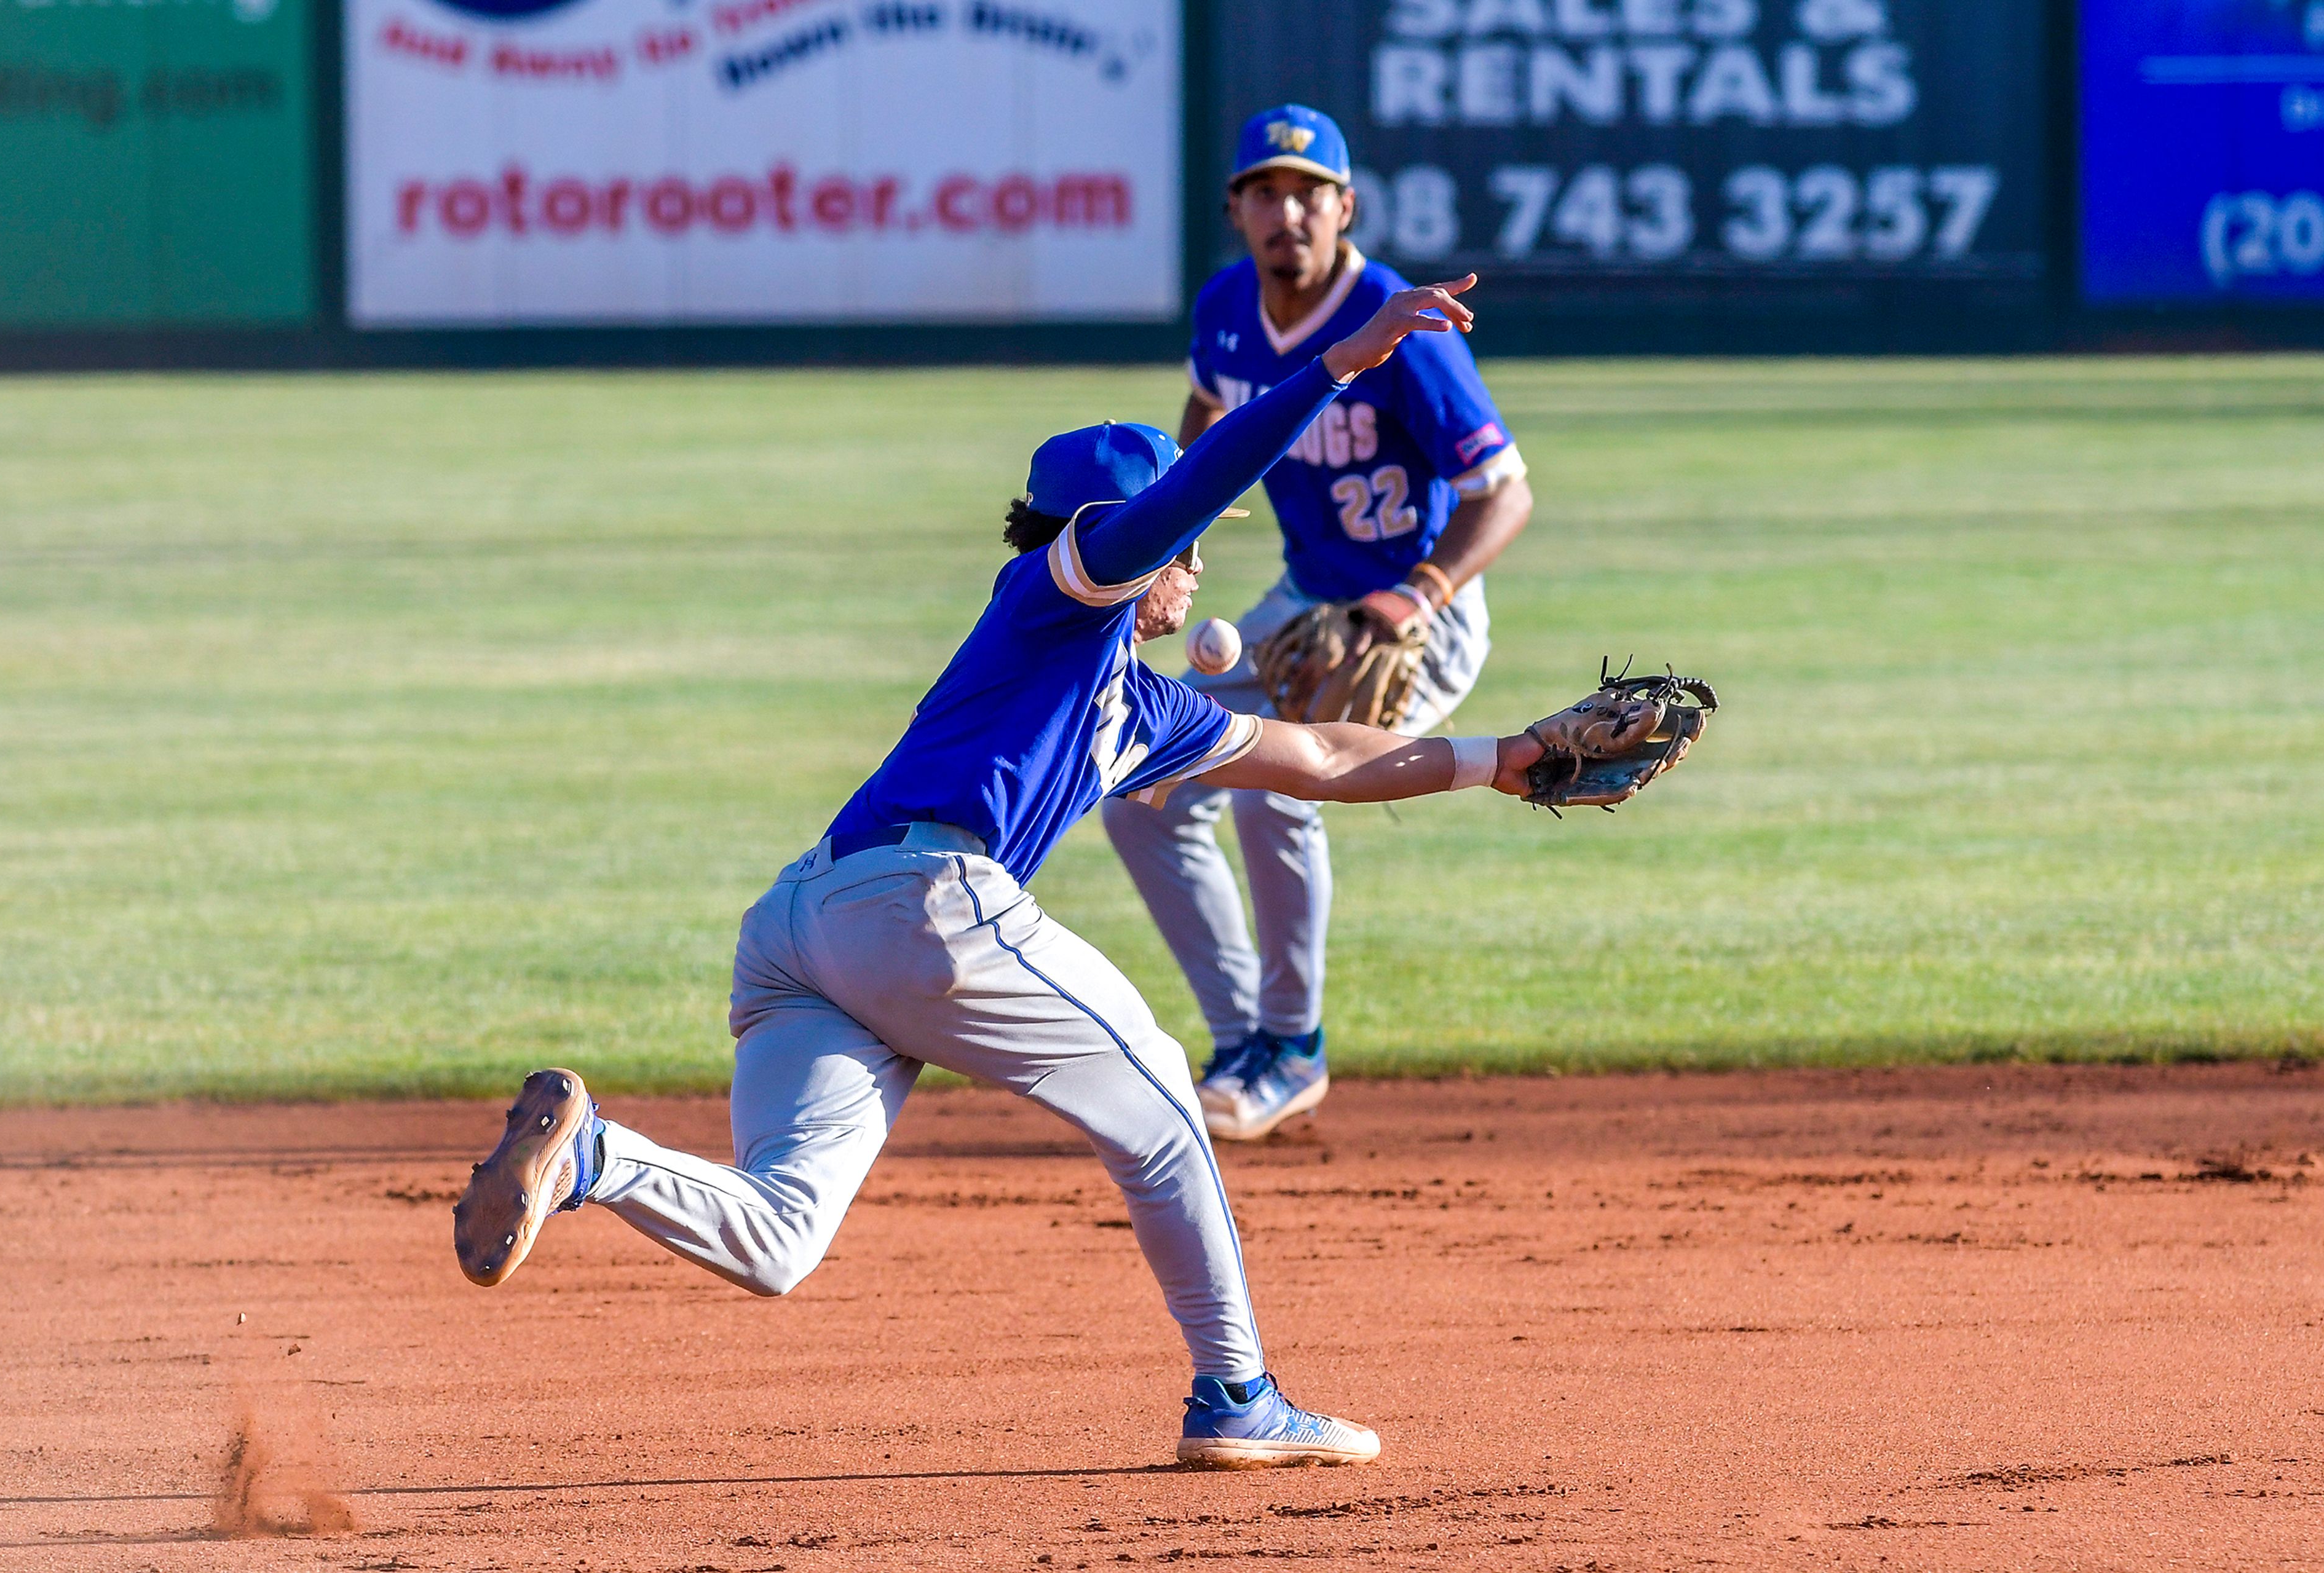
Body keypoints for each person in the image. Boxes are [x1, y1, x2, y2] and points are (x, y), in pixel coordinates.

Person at [453, 277, 1552, 1470]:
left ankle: (595, 1154)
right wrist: (1339, 362)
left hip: (804, 924)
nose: (1196, 568)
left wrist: (1512, 759)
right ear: (1143, 533)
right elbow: (1199, 480)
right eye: (1188, 547)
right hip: (928, 908)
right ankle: (1236, 1392)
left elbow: (1326, 758)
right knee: (1169, 1114)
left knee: (779, 1235)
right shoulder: (1065, 589)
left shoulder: (1137, 703)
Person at [1099, 105, 1535, 1145]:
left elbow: (1505, 494)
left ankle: (1293, 1048)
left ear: (1344, 208)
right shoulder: (1225, 308)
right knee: (1141, 789)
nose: (1286, 210)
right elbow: (1206, 420)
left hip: (1415, 616)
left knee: (1277, 786)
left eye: (1309, 192)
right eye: (1265, 191)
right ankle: (1244, 1038)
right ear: (1238, 210)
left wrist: (1414, 595)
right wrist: (1170, 533)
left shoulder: (1394, 321)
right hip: (1302, 604)